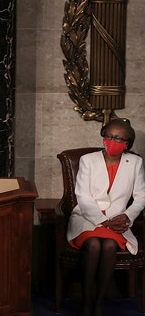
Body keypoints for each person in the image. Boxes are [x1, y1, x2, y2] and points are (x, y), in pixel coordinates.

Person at [67, 118, 145, 316]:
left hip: (118, 219)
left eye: (119, 138)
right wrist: (102, 221)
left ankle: (99, 301)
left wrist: (127, 217)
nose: (112, 141)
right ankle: (86, 300)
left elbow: (141, 197)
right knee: (93, 244)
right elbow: (82, 196)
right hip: (87, 216)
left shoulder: (135, 162)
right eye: (109, 136)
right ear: (103, 137)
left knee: (109, 245)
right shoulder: (88, 160)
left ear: (127, 143)